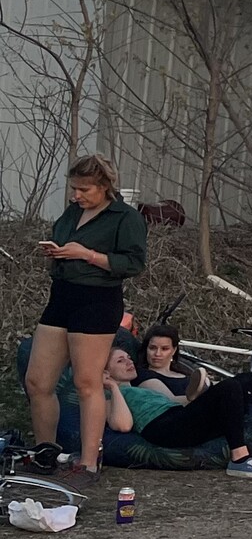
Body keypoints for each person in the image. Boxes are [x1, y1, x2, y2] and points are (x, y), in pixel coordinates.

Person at [24, 154, 148, 490]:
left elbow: (134, 263)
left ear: (104, 186)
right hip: (62, 294)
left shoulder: (126, 218)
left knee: (86, 382)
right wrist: (59, 252)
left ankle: (89, 463)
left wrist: (86, 255)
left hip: (97, 300)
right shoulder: (73, 211)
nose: (76, 195)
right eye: (74, 188)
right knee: (37, 381)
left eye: (84, 189)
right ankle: (46, 453)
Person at [103, 341, 252, 472]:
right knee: (230, 387)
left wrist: (199, 398)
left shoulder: (141, 387)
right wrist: (113, 387)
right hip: (164, 428)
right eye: (120, 361)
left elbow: (175, 401)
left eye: (129, 358)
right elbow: (122, 425)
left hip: (180, 416)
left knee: (248, 379)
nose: (129, 362)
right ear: (105, 371)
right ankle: (239, 459)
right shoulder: (107, 396)